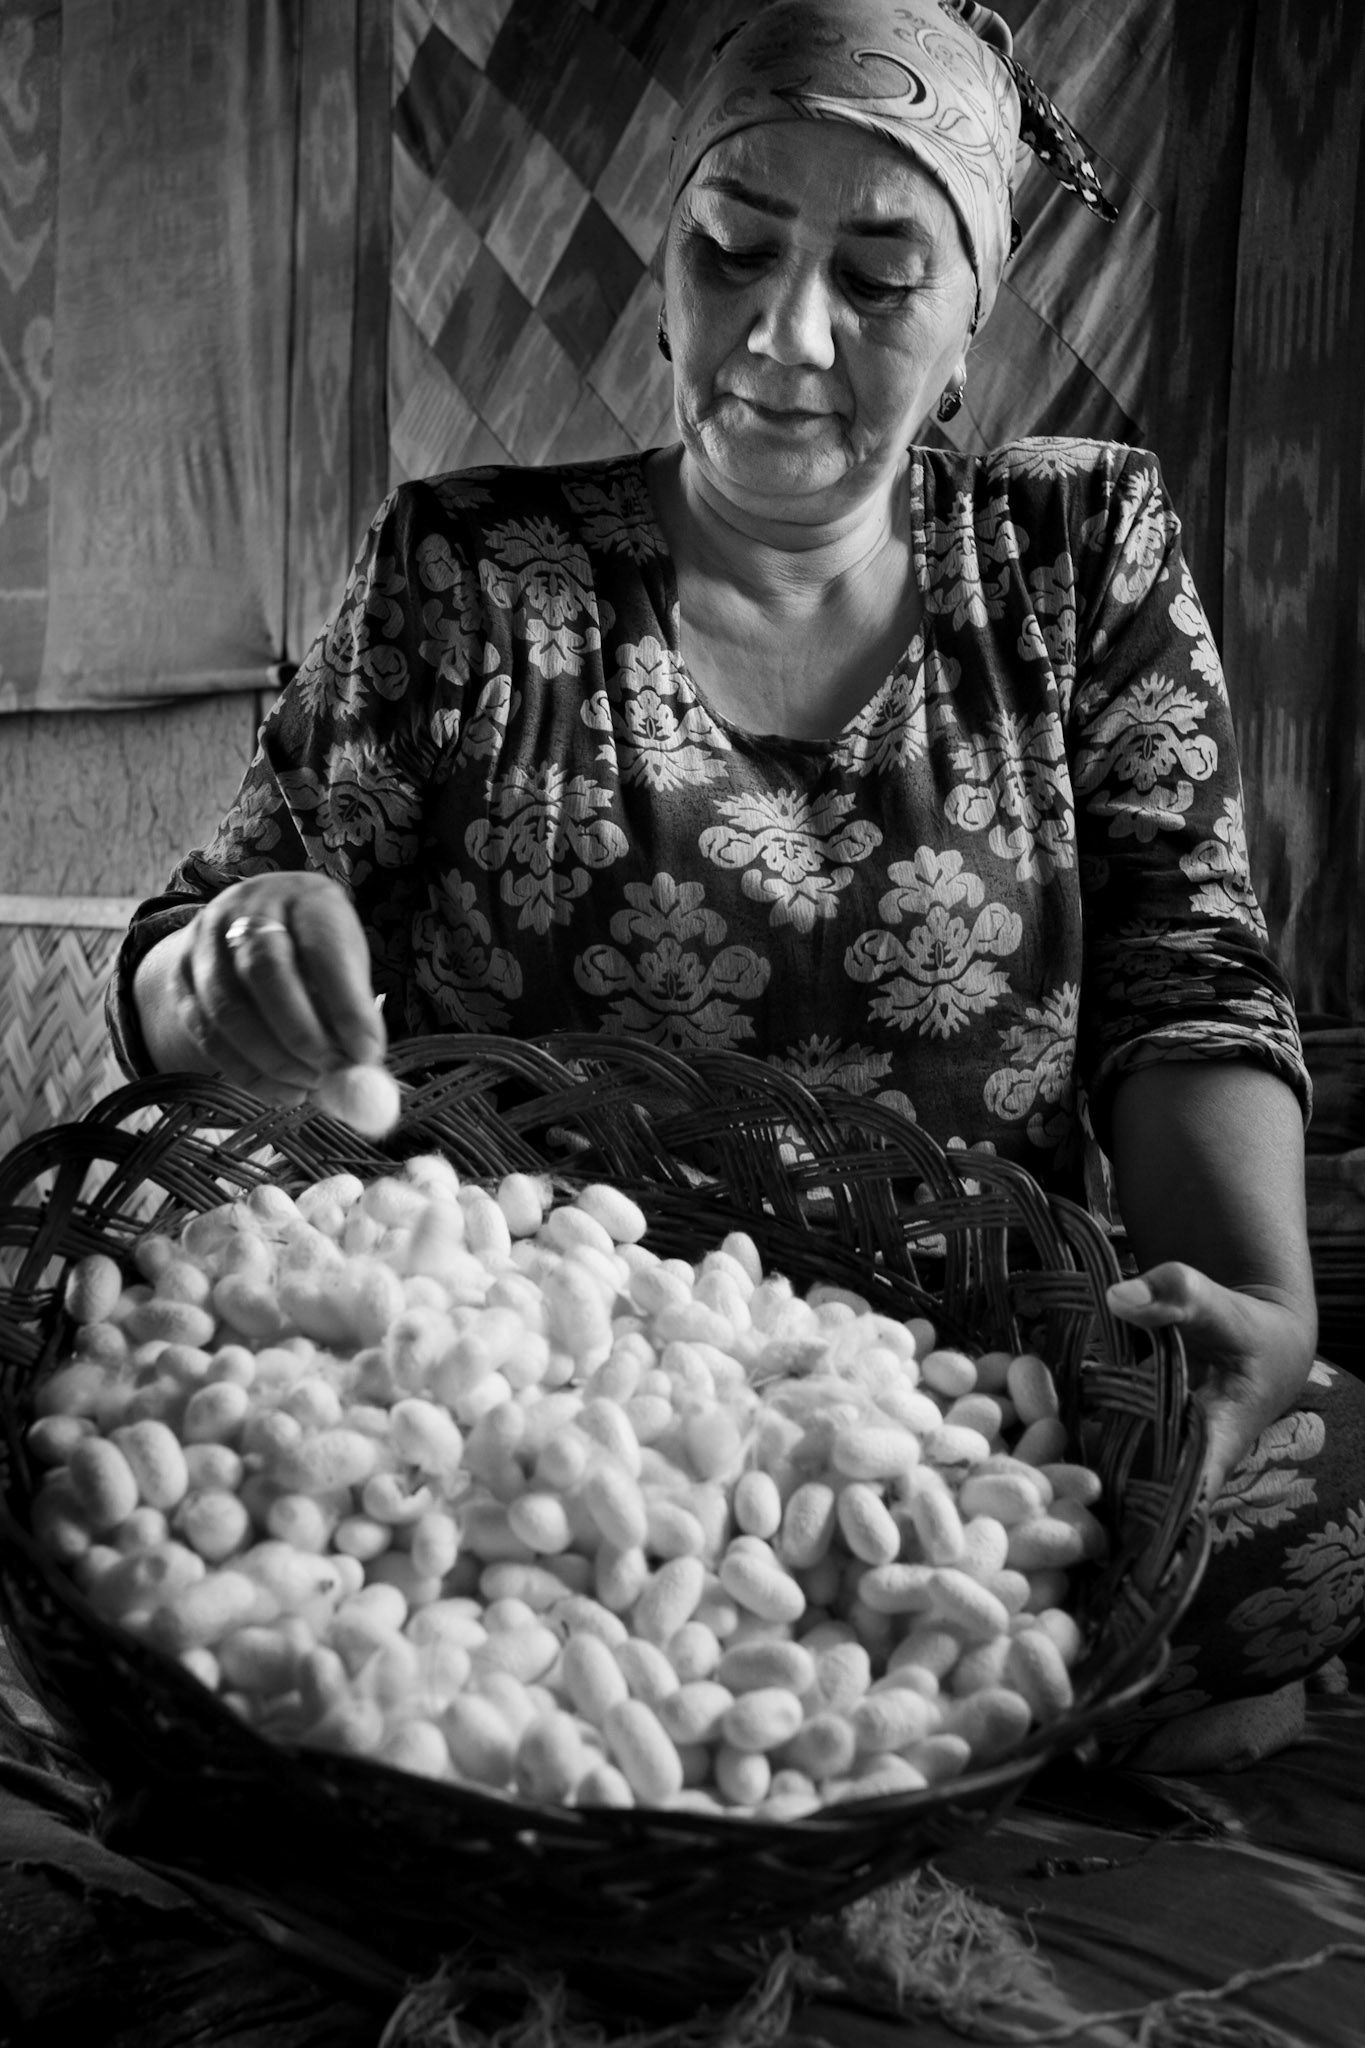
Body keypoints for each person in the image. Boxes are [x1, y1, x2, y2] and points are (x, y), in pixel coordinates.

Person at [108, 0, 1361, 1757]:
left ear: (972, 314)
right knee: (110, 1396)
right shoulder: (476, 568)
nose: (785, 334)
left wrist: (1253, 1304)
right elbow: (203, 943)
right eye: (732, 250)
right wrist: (228, 970)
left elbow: (1184, 963)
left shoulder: (1073, 555)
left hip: (950, 1373)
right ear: (666, 260)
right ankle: (877, 1718)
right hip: (536, 1363)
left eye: (878, 277)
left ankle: (644, 1722)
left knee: (1315, 1493)